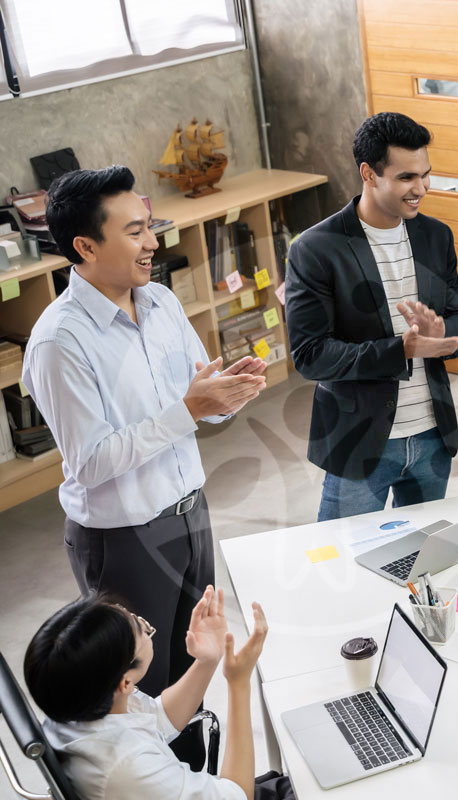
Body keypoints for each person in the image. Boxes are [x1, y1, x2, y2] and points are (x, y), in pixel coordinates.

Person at [23, 166, 267, 765]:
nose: (154, 242)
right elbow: (92, 461)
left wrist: (222, 394)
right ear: (85, 246)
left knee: (198, 661)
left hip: (190, 513)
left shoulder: (158, 301)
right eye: (135, 231)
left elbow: (196, 400)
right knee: (141, 687)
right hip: (123, 537)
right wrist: (190, 410)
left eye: (150, 226)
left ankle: (200, 778)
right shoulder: (60, 342)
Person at [286, 112, 458, 520]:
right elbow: (310, 354)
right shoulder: (316, 249)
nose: (421, 188)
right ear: (369, 174)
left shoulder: (436, 236)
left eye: (426, 175)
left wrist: (444, 332)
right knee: (344, 566)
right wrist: (400, 350)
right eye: (407, 178)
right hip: (360, 443)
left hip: (432, 437)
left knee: (422, 562)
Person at [24, 587, 287, 799]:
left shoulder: (76, 698)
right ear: (125, 682)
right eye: (143, 630)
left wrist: (208, 660)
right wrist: (239, 684)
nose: (143, 623)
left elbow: (156, 719)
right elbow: (238, 796)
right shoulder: (130, 767)